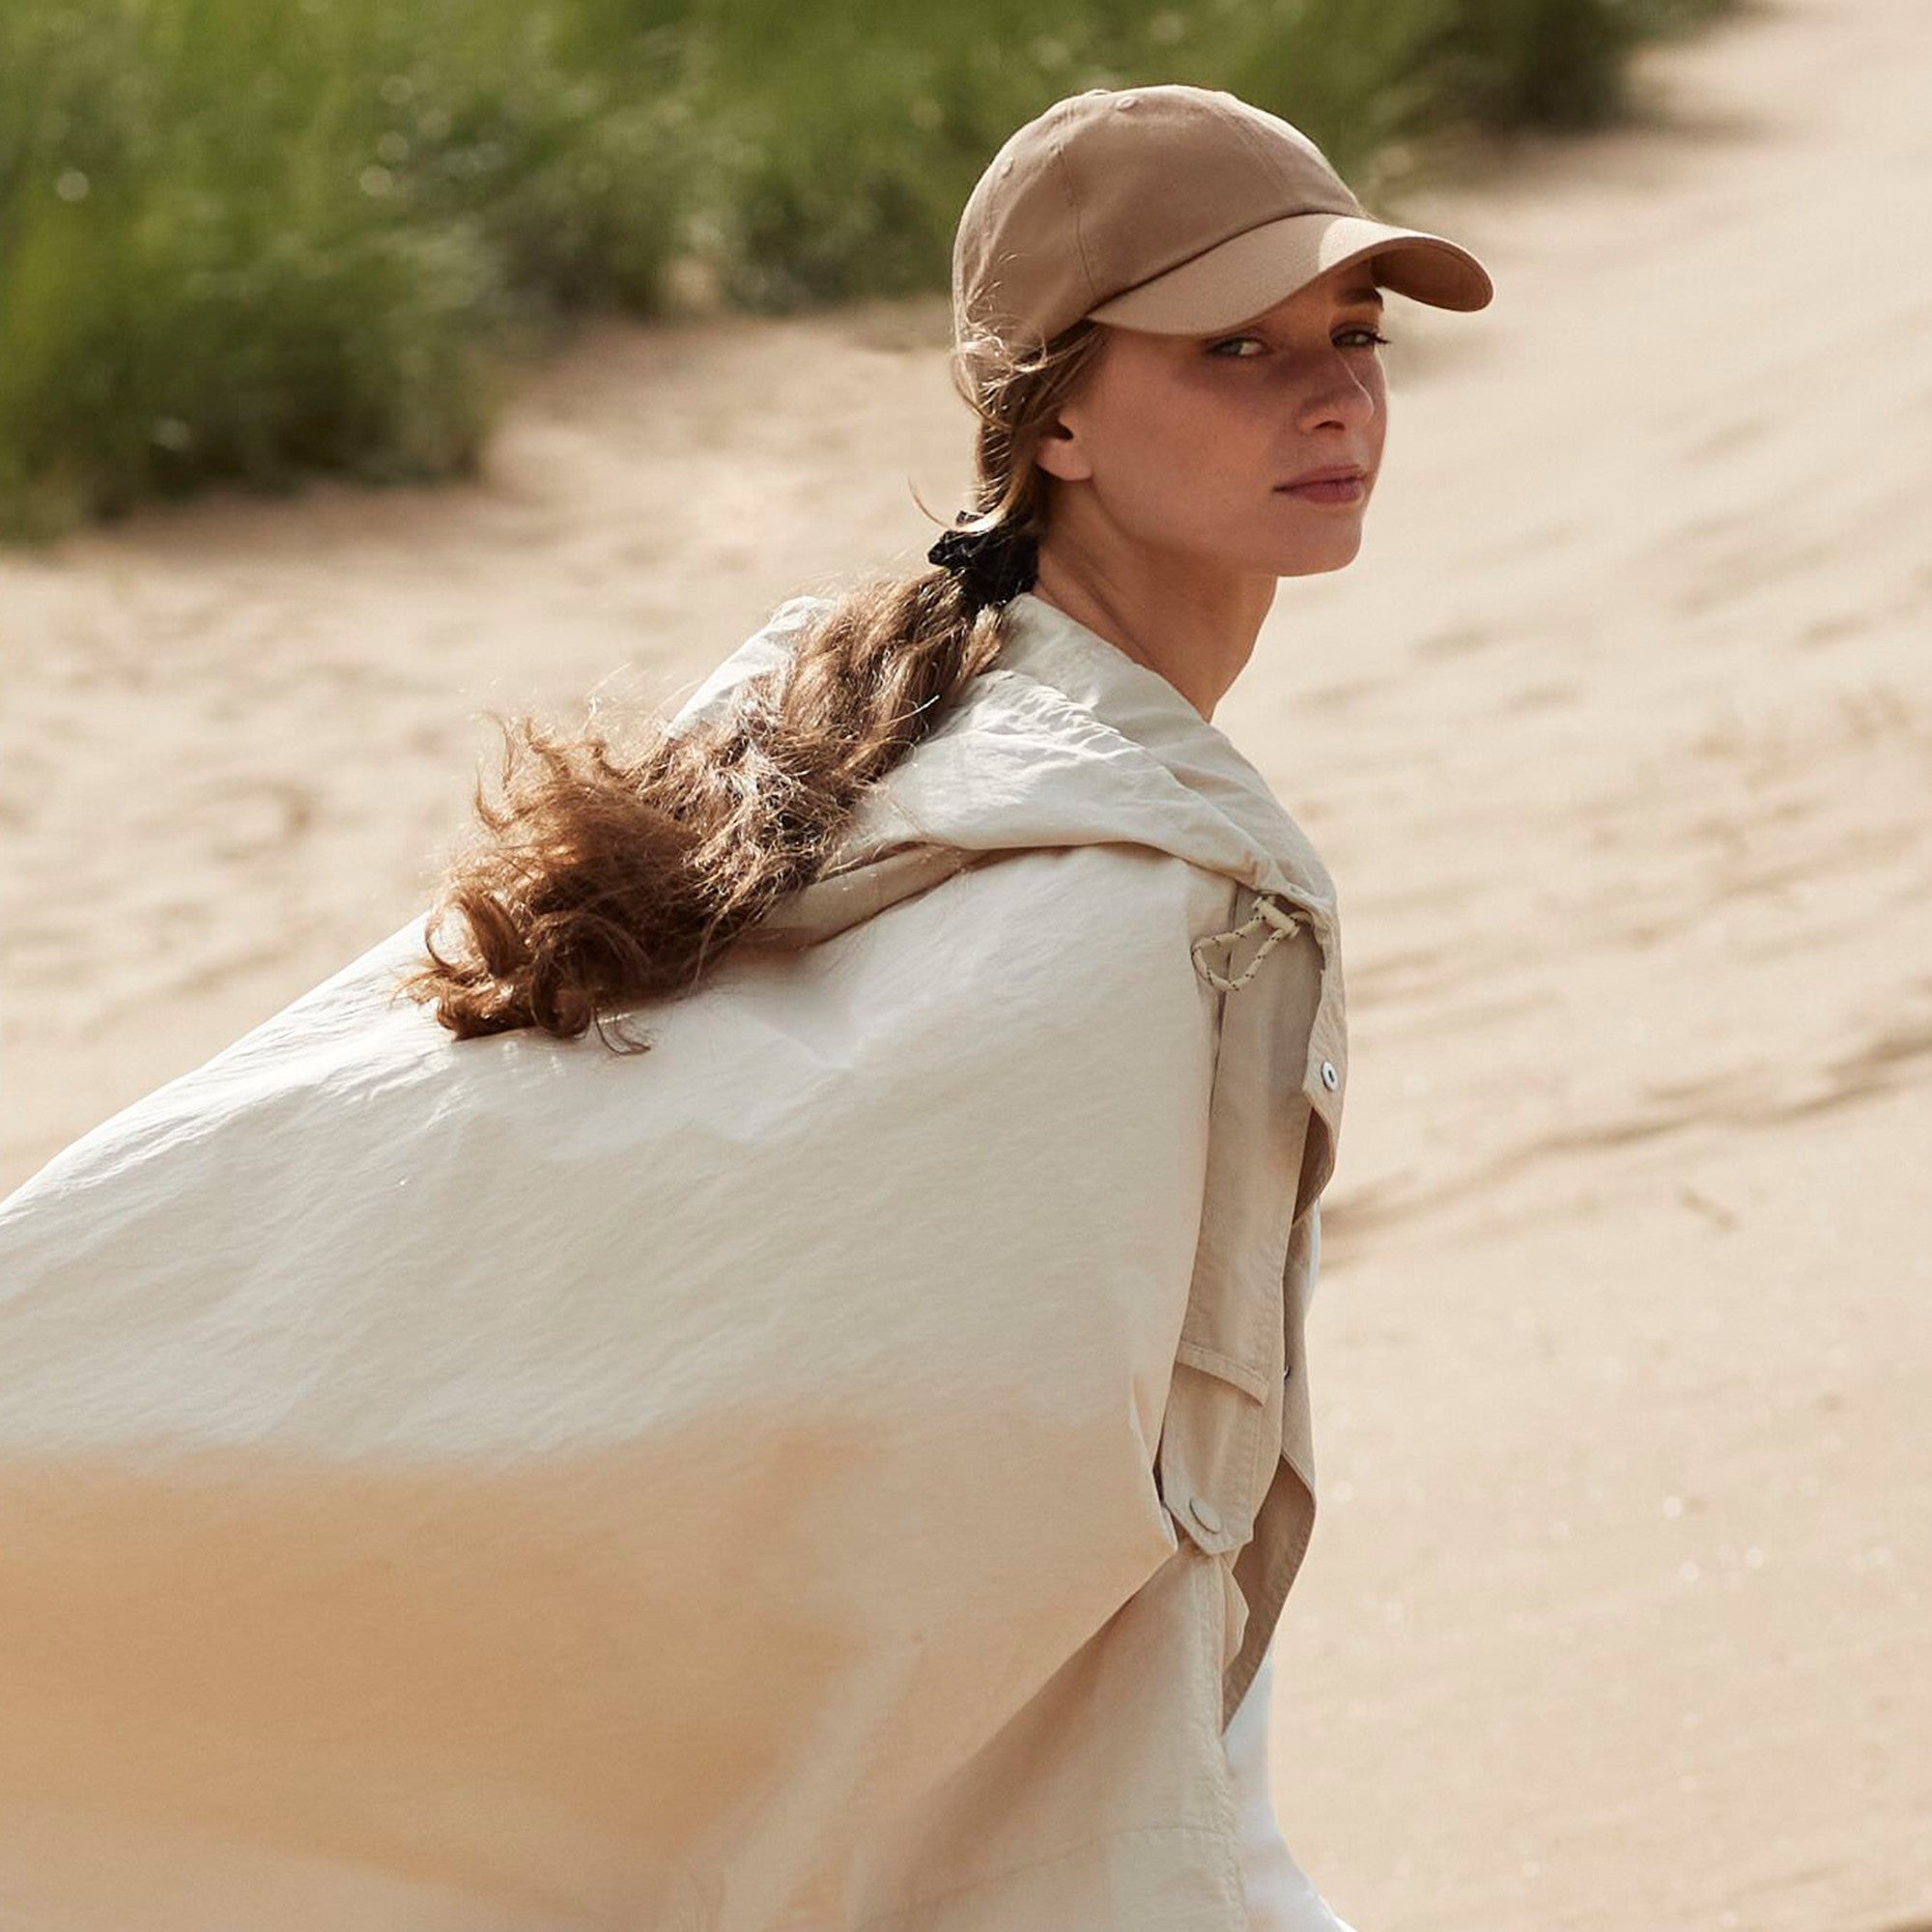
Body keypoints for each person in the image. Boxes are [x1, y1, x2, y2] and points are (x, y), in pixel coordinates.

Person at [0, 84, 1490, 1931]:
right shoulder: (1150, 887)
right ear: (1058, 417)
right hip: (1059, 1767)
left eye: (1356, 335)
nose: (1333, 398)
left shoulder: (858, 693)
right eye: (1236, 350)